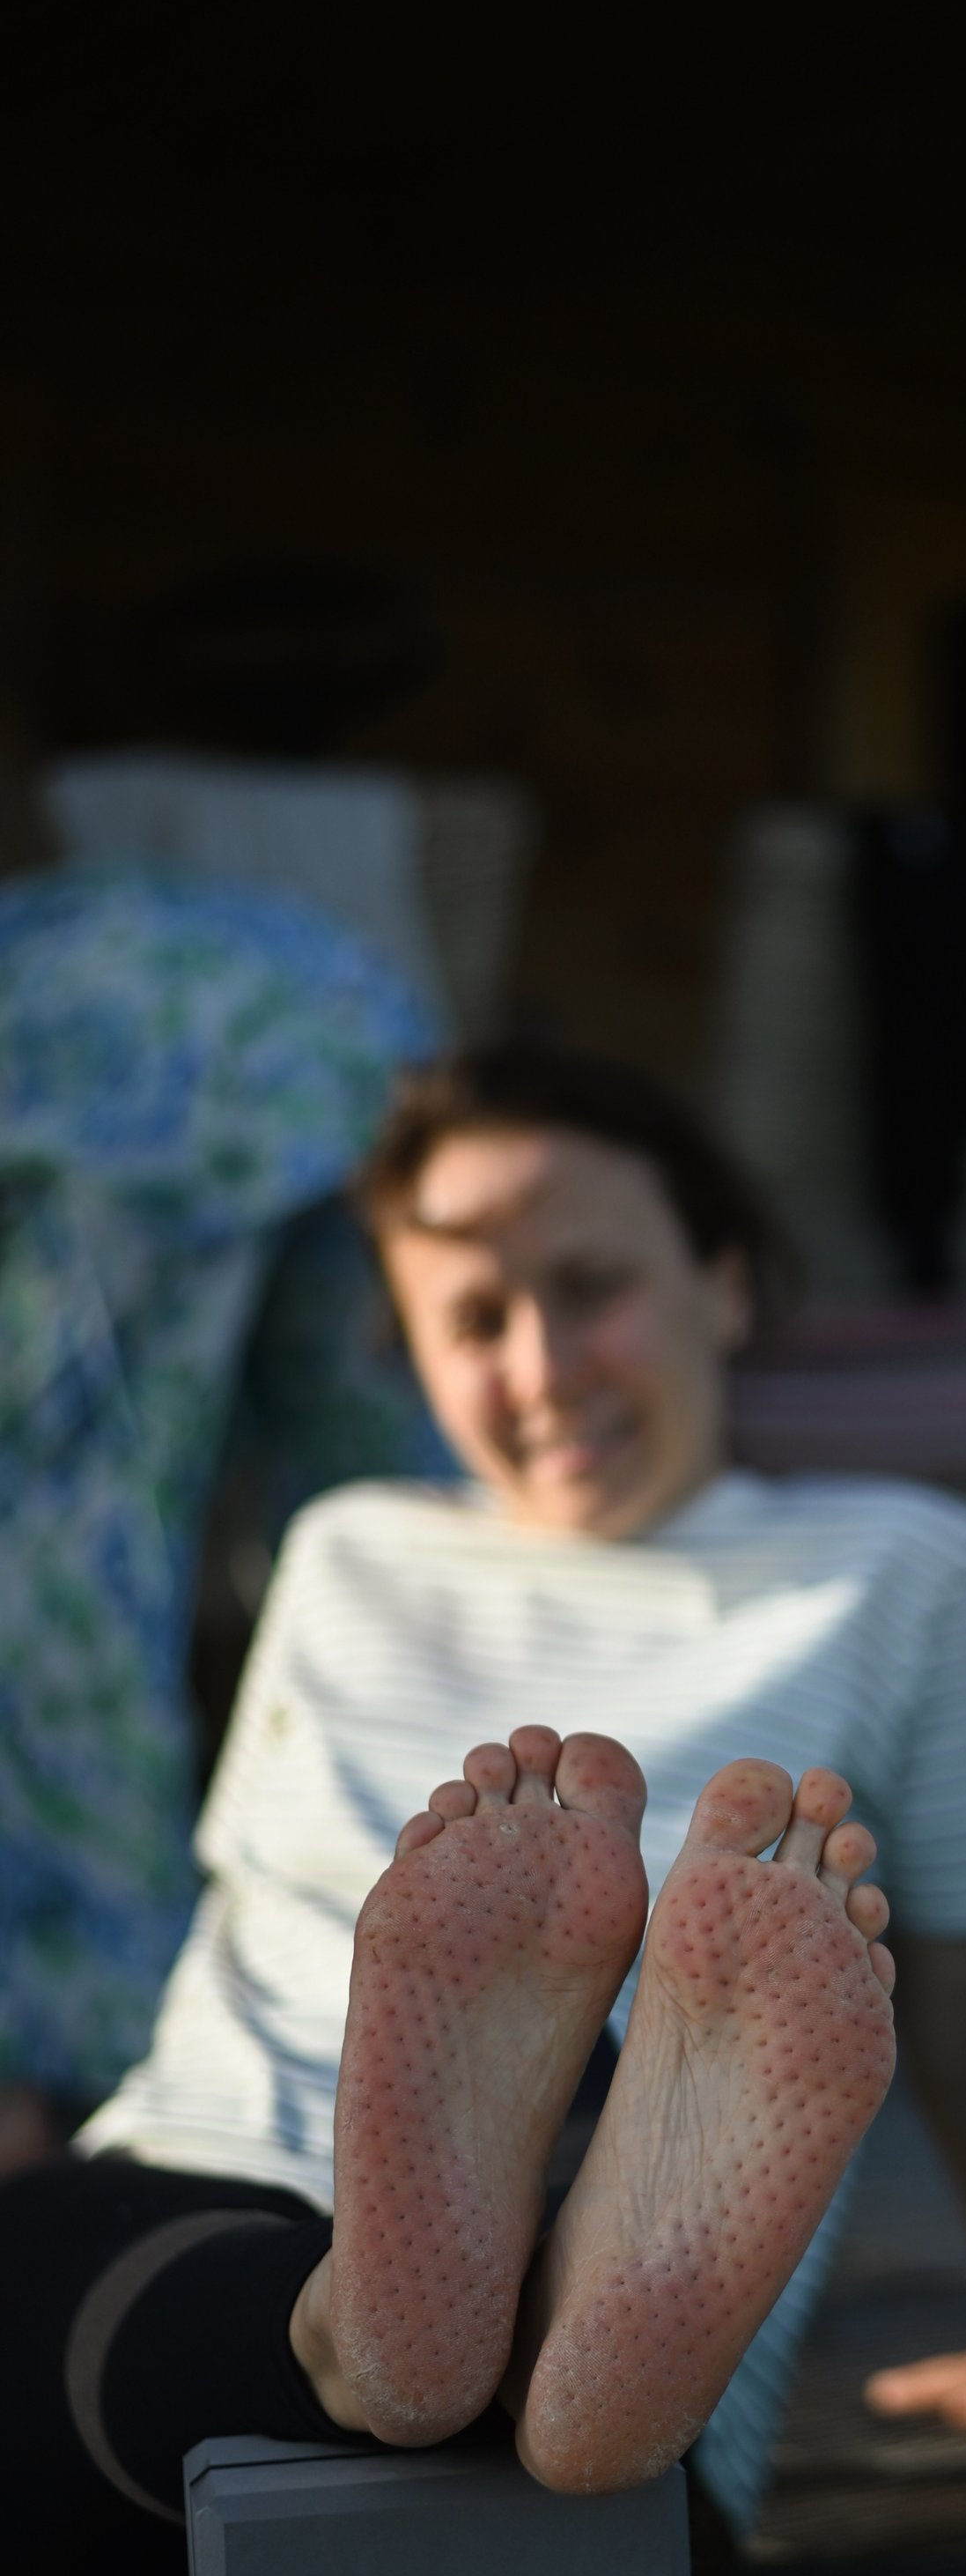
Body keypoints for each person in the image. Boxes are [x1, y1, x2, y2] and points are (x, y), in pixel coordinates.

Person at [1, 1042, 966, 2576]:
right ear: (409, 1346)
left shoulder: (900, 1566)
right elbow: (227, 1937)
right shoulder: (342, 1550)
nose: (540, 1365)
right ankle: (403, 2324)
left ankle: (482, 2289)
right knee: (145, 2294)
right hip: (232, 2208)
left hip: (519, 2328)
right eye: (472, 1317)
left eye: (592, 1285)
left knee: (130, 2337)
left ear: (727, 1279)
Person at [0, 857, 443, 2175]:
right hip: (335, 1030)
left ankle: (81, 2075)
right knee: (375, 1546)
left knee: (74, 1557)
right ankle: (386, 2022)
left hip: (160, 1081)